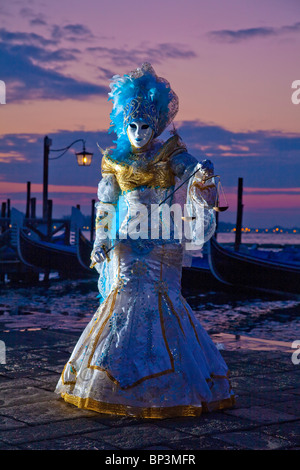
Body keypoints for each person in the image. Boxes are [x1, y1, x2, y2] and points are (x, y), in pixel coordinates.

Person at [55, 63, 235, 418]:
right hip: (125, 240)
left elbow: (197, 177)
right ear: (124, 125)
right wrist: (100, 241)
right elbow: (106, 206)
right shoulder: (113, 160)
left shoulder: (171, 153)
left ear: (157, 126)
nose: (138, 133)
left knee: (162, 299)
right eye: (132, 126)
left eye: (146, 126)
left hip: (162, 240)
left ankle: (169, 382)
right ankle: (116, 377)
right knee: (122, 299)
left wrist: (205, 177)